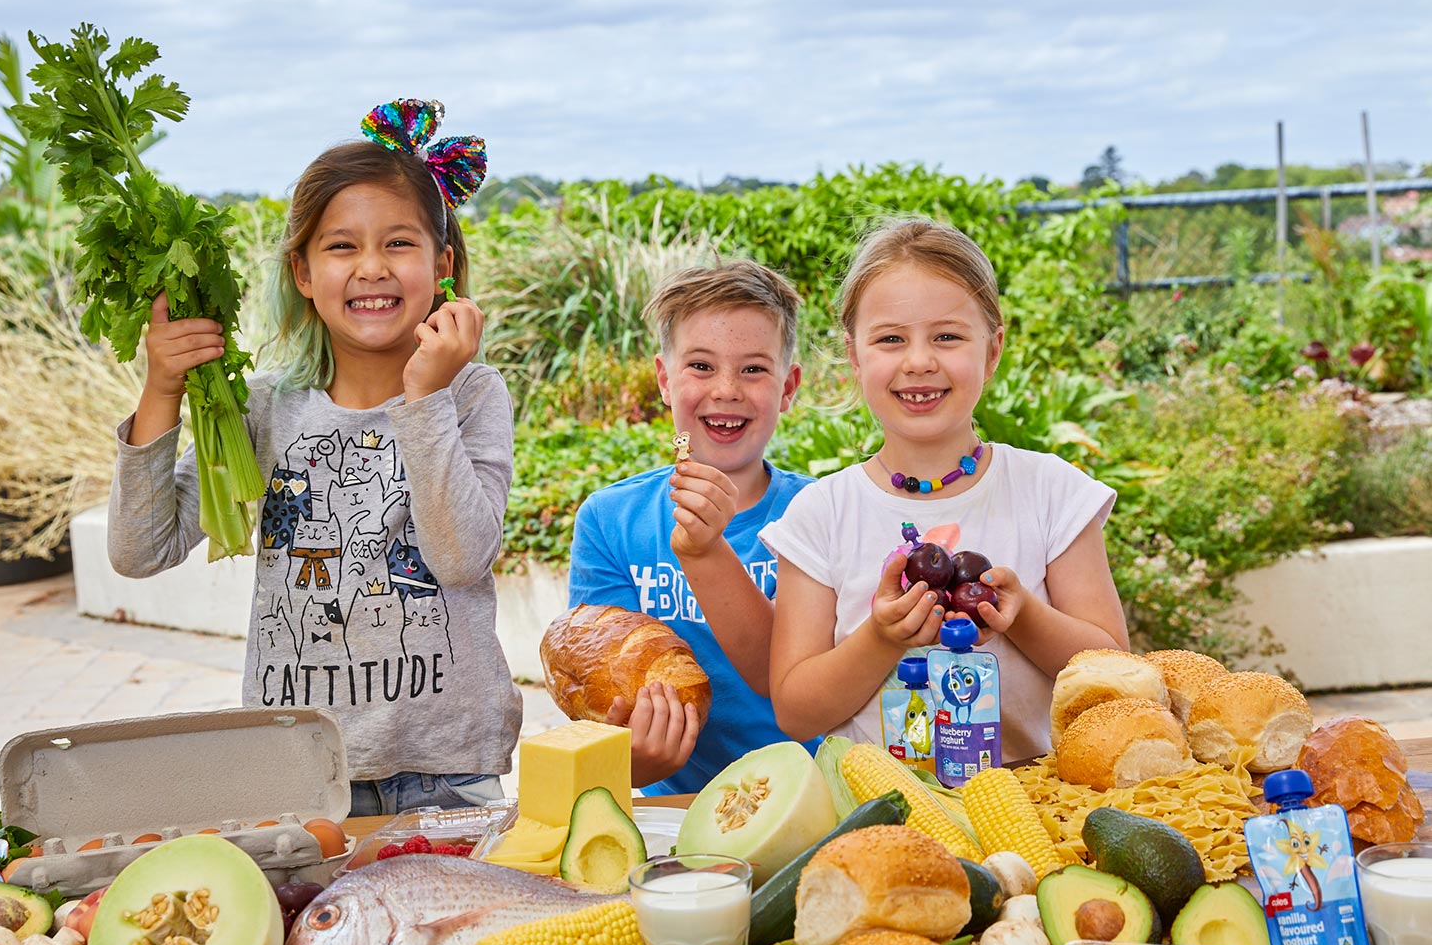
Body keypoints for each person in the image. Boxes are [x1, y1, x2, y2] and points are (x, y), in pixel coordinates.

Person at [107, 99, 520, 815]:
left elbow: (459, 559)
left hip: (447, 774)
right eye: (341, 247)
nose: (370, 269)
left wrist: (425, 398)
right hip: (295, 770)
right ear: (302, 271)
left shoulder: (472, 395)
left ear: (442, 264)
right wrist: (162, 389)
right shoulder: (264, 409)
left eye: (398, 244)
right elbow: (141, 551)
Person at [761, 218, 1128, 762]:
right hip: (885, 818)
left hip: (1043, 814)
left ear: (993, 350)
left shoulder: (1051, 492)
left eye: (947, 336)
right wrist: (882, 638)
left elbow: (1117, 674)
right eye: (890, 339)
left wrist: (1023, 614)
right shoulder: (822, 515)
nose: (919, 361)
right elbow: (795, 709)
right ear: (856, 357)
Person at [567, 259, 819, 794]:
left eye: (754, 369)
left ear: (788, 387)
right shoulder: (610, 522)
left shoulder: (820, 514)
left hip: (810, 796)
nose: (726, 390)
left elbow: (813, 681)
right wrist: (636, 760)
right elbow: (600, 708)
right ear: (664, 379)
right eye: (701, 366)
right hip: (675, 806)